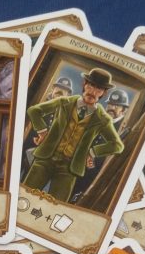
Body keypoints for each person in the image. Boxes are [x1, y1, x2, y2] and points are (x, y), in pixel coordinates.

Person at [23, 68, 124, 202]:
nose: (93, 92)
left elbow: (117, 146)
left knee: (56, 206)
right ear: (84, 84)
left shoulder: (103, 119)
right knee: (24, 195)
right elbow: (34, 111)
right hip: (45, 160)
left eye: (99, 89)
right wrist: (42, 131)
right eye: (91, 85)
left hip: (69, 169)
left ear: (104, 93)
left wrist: (92, 152)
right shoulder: (64, 102)